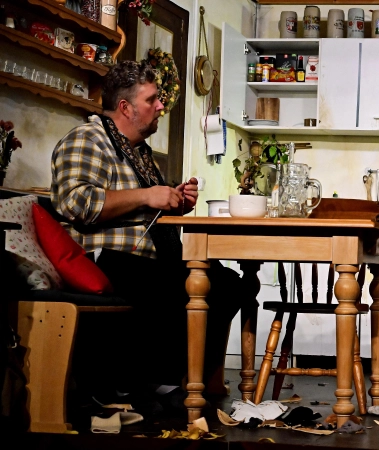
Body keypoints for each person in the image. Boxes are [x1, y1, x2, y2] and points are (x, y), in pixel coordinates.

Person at [50, 61, 247, 406]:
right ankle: (153, 380)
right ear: (125, 107)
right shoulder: (88, 139)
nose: (160, 106)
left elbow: (144, 207)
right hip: (106, 261)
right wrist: (147, 195)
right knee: (187, 285)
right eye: (152, 100)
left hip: (146, 260)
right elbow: (74, 202)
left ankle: (175, 376)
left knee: (230, 284)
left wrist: (175, 202)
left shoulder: (139, 152)